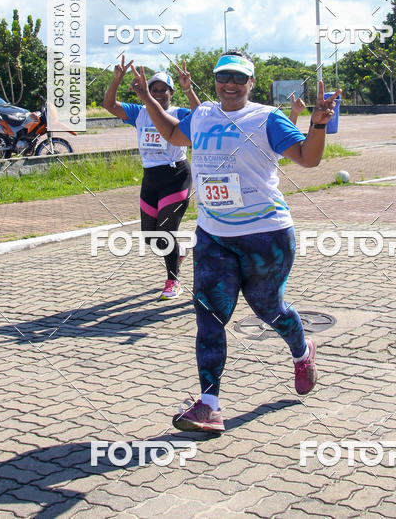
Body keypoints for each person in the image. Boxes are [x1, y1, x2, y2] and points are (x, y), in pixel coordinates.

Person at [129, 50, 340, 432]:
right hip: (214, 236)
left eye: (239, 78)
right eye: (223, 77)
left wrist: (318, 125)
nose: (230, 84)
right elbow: (173, 133)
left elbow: (307, 158)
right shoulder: (203, 114)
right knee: (209, 318)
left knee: (269, 309)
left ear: (251, 83)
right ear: (215, 80)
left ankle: (301, 350)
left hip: (266, 235)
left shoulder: (267, 118)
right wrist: (146, 97)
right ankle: (209, 406)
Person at [103, 57, 199, 300]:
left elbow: (202, 116)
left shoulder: (179, 113)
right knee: (150, 236)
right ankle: (180, 251)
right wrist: (116, 80)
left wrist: (189, 89)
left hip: (176, 176)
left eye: (163, 90)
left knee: (166, 230)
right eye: (153, 90)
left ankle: (173, 281)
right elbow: (109, 105)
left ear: (171, 93)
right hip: (151, 179)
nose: (157, 94)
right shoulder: (139, 113)